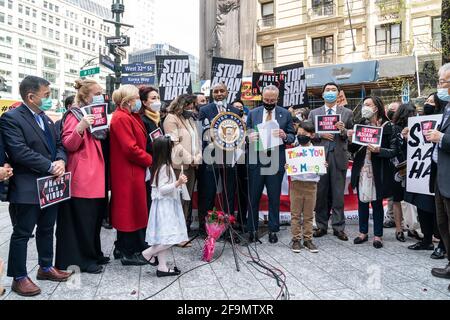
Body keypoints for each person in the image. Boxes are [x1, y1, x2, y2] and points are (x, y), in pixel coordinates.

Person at [0, 76, 72, 297]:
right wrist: (51, 166)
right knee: (22, 233)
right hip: (27, 185)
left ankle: (45, 267)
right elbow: (20, 151)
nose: (50, 99)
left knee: (47, 228)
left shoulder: (47, 119)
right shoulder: (11, 118)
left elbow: (59, 144)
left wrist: (61, 160)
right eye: (47, 96)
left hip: (50, 185)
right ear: (31, 97)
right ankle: (19, 277)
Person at [55, 79, 109, 274]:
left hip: (96, 174)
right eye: (97, 92)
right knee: (84, 221)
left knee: (93, 220)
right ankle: (83, 260)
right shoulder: (74, 115)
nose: (101, 95)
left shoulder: (96, 112)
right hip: (83, 176)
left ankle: (93, 253)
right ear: (86, 96)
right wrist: (81, 127)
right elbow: (68, 144)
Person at [110, 85, 153, 266]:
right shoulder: (121, 118)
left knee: (132, 210)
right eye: (136, 97)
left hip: (133, 170)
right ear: (128, 100)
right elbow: (130, 148)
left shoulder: (130, 116)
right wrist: (150, 159)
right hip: (128, 171)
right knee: (129, 211)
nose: (138, 101)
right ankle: (128, 252)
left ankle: (122, 247)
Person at [246, 85, 296, 244]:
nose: (269, 102)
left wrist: (284, 135)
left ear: (277, 99)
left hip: (276, 160)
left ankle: (273, 230)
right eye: (266, 100)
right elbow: (246, 131)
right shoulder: (253, 113)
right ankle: (252, 229)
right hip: (257, 160)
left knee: (274, 198)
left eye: (272, 100)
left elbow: (292, 136)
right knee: (253, 198)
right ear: (262, 97)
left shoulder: (285, 113)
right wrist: (249, 136)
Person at [348, 96, 398, 249]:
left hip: (379, 171)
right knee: (362, 202)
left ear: (376, 107)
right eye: (363, 104)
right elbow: (353, 150)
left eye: (368, 105)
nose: (365, 107)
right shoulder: (361, 124)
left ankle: (378, 235)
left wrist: (379, 150)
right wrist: (351, 139)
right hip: (362, 169)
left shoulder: (388, 126)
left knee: (376, 203)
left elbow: (394, 150)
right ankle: (363, 232)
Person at [308, 82, 354, 241]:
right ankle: (321, 226)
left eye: (333, 90)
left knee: (338, 194)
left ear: (338, 94)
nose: (330, 92)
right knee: (320, 194)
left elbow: (352, 135)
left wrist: (343, 130)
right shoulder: (314, 113)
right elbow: (307, 133)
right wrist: (320, 135)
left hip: (339, 157)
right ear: (322, 94)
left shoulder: (347, 113)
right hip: (320, 157)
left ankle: (338, 227)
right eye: (327, 90)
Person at [141, 136, 189, 277]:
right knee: (172, 238)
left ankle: (162, 267)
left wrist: (178, 185)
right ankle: (148, 253)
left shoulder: (159, 165)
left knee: (164, 237)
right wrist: (178, 183)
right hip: (165, 207)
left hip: (163, 205)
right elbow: (162, 189)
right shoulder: (165, 167)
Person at [198, 83, 241, 234]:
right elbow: (200, 133)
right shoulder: (204, 110)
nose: (219, 94)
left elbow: (239, 133)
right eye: (215, 91)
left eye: (221, 91)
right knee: (209, 192)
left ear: (227, 92)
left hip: (230, 157)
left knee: (229, 192)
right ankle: (206, 228)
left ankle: (228, 226)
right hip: (211, 156)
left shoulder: (235, 110)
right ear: (212, 94)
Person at [163, 94, 202, 243]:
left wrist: (197, 157)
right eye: (189, 106)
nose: (191, 109)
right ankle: (175, 235)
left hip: (191, 166)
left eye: (193, 106)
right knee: (177, 200)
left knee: (186, 199)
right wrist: (190, 158)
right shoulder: (171, 119)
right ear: (181, 105)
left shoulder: (189, 119)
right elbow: (174, 143)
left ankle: (182, 232)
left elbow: (196, 140)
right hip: (179, 166)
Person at [428, 63, 450, 286]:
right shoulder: (447, 108)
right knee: (442, 223)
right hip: (440, 175)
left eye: (443, 83)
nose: (439, 87)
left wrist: (440, 138)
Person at [287, 121, 322, 253]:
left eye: (304, 134)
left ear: (312, 135)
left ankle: (308, 239)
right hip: (296, 185)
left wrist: (323, 165)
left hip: (312, 185)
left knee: (308, 215)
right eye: (299, 133)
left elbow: (320, 171)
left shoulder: (317, 152)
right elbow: (290, 168)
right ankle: (296, 239)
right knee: (295, 214)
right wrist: (287, 167)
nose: (301, 136)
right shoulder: (293, 152)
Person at [139, 86, 163, 213]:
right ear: (144, 102)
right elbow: (144, 143)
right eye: (153, 98)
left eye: (158, 98)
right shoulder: (142, 119)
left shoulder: (158, 118)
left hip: (159, 162)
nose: (157, 101)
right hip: (149, 164)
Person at [232, 99, 249, 231]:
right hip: (230, 160)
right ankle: (230, 220)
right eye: (236, 107)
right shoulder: (227, 121)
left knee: (243, 192)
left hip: (245, 159)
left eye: (241, 107)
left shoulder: (248, 119)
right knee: (231, 192)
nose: (239, 109)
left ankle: (242, 219)